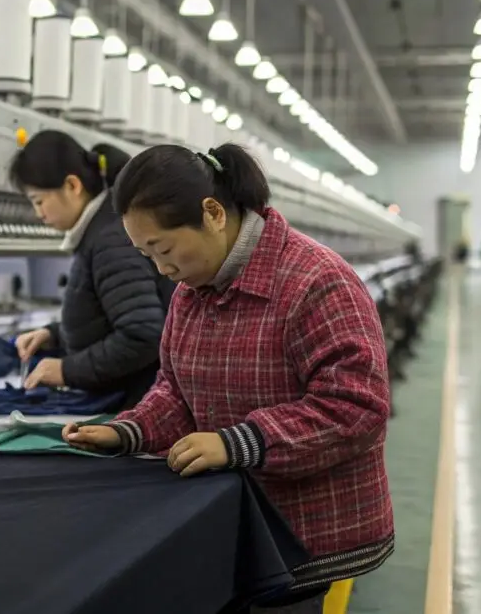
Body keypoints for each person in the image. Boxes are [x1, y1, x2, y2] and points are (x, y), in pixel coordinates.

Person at [63, 143, 393, 612]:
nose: (162, 269)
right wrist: (128, 430)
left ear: (213, 213)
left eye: (164, 249)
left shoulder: (317, 281)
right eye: (147, 255)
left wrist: (238, 442)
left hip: (300, 533)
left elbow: (356, 407)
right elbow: (175, 392)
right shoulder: (190, 292)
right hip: (232, 515)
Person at [9, 131, 175, 408]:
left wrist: (66, 370)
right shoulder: (101, 231)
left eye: (39, 201)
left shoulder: (109, 241)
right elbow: (114, 314)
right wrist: (56, 334)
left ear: (73, 185)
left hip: (134, 401)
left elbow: (142, 334)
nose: (38, 214)